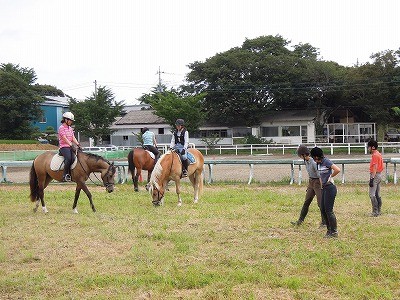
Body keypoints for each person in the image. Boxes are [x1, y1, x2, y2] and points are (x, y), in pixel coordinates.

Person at [291, 145, 325, 227]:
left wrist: (322, 186)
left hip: (317, 182)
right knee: (306, 202)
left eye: (300, 155)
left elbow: (319, 175)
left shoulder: (313, 162)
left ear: (303, 154)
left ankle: (324, 222)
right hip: (311, 182)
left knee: (320, 203)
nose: (299, 157)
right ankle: (300, 220)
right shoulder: (305, 161)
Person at [310, 147, 341, 238]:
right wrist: (321, 185)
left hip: (330, 188)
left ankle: (334, 231)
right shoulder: (318, 164)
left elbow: (337, 169)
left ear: (316, 156)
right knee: (323, 209)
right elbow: (320, 176)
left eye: (314, 158)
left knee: (329, 210)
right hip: (324, 188)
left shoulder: (326, 161)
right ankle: (329, 230)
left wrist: (330, 177)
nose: (315, 160)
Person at [58, 112, 81, 182]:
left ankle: (73, 174)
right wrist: (71, 145)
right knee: (68, 158)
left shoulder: (70, 128)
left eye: (71, 121)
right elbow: (64, 138)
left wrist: (78, 144)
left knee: (75, 158)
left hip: (70, 146)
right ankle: (65, 175)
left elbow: (73, 137)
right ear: (65, 120)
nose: (71, 122)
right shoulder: (61, 128)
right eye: (70, 120)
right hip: (64, 147)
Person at [367, 140, 383, 216]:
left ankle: (375, 212)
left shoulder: (375, 155)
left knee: (372, 194)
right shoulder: (378, 154)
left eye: (369, 147)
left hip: (375, 175)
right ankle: (379, 210)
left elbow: (375, 168)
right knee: (377, 194)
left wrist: (371, 179)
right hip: (379, 175)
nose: (368, 148)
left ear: (373, 147)